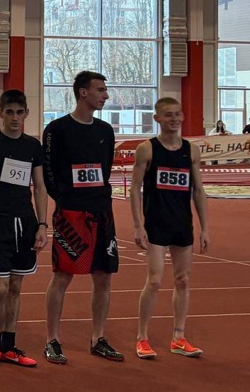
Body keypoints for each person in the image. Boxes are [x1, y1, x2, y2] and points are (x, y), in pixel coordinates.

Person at [43, 71, 122, 365]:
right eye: (100, 90)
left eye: (105, 90)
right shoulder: (56, 129)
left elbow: (105, 167)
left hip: (102, 211)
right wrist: (64, 199)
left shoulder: (105, 130)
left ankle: (98, 338)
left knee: (103, 276)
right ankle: (52, 340)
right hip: (71, 212)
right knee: (63, 275)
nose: (106, 95)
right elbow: (48, 171)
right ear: (83, 92)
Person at [0, 90, 48, 369]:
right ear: (0, 113)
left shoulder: (33, 146)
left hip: (25, 223)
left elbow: (39, 187)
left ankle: (9, 346)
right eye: (9, 112)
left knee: (15, 286)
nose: (15, 117)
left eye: (19, 112)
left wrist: (42, 225)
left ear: (26, 113)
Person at [131, 97, 210, 360]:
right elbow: (135, 189)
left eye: (177, 114)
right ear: (157, 118)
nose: (174, 119)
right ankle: (142, 337)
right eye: (168, 115)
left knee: (182, 280)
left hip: (182, 223)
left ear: (183, 116)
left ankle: (179, 337)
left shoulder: (192, 151)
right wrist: (138, 225)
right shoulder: (147, 149)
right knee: (154, 281)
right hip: (156, 224)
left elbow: (198, 191)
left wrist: (205, 228)